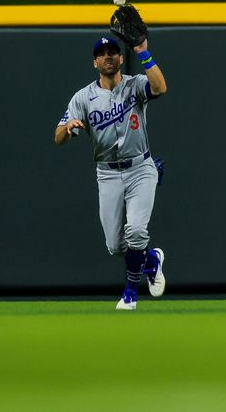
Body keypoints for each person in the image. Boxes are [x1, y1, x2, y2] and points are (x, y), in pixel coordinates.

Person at [55, 35, 167, 310]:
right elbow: (57, 136)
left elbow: (160, 87)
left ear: (120, 58)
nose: (108, 56)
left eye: (113, 52)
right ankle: (151, 260)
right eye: (102, 53)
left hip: (141, 167)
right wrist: (67, 130)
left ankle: (130, 293)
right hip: (107, 174)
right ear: (95, 62)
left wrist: (143, 52)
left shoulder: (135, 84)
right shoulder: (83, 97)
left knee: (137, 232)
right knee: (116, 246)